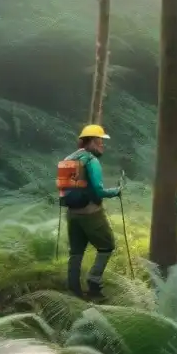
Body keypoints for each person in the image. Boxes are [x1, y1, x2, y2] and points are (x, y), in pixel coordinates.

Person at [61, 124, 121, 299]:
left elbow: (64, 189)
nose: (102, 144)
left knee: (76, 252)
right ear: (92, 141)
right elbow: (98, 190)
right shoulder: (91, 161)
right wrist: (116, 191)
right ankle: (94, 284)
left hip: (72, 213)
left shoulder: (69, 158)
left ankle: (73, 291)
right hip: (90, 212)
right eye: (100, 140)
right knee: (107, 245)